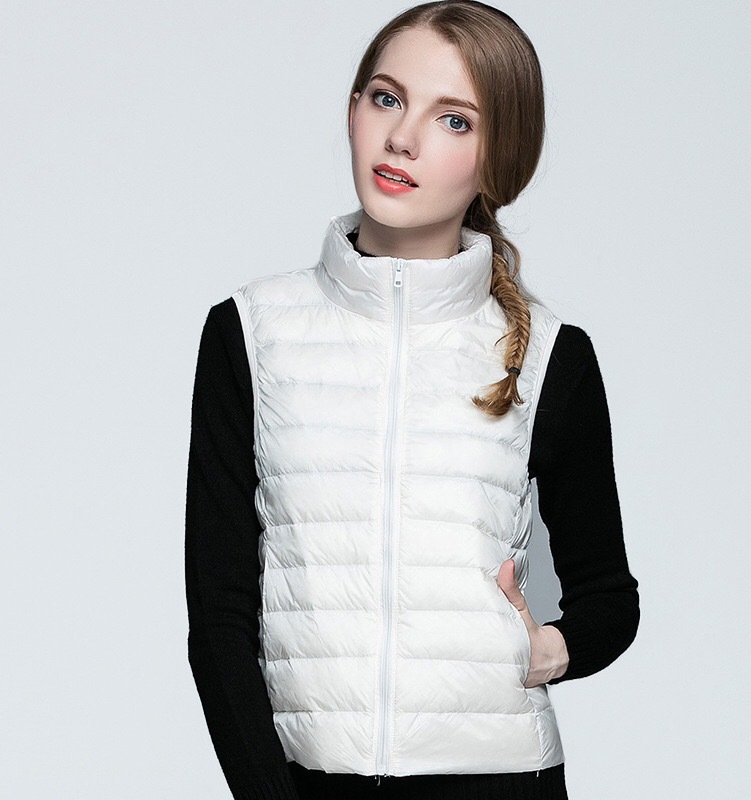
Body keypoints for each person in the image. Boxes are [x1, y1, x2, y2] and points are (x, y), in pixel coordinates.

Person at [184, 2, 640, 798]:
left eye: (454, 120)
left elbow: (609, 598)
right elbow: (219, 618)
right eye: (387, 98)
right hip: (308, 779)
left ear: (500, 160)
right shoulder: (251, 332)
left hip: (503, 778)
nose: (403, 138)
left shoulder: (548, 355)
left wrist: (545, 648)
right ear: (352, 110)